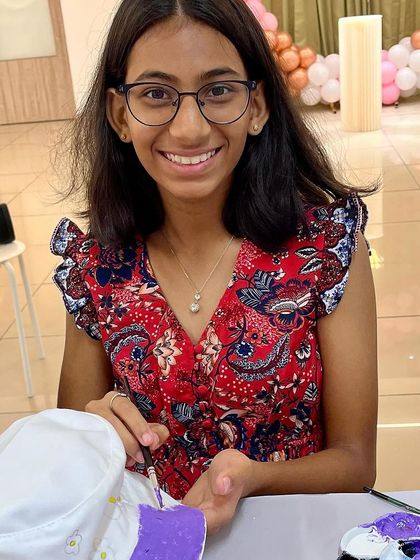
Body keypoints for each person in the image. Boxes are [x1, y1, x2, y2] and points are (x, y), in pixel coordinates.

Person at [51, 0, 378, 536]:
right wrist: (97, 427)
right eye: (156, 95)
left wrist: (254, 478)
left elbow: (355, 464)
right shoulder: (95, 269)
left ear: (258, 107)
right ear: (119, 116)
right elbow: (74, 461)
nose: (188, 128)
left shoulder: (326, 251)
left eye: (218, 91)